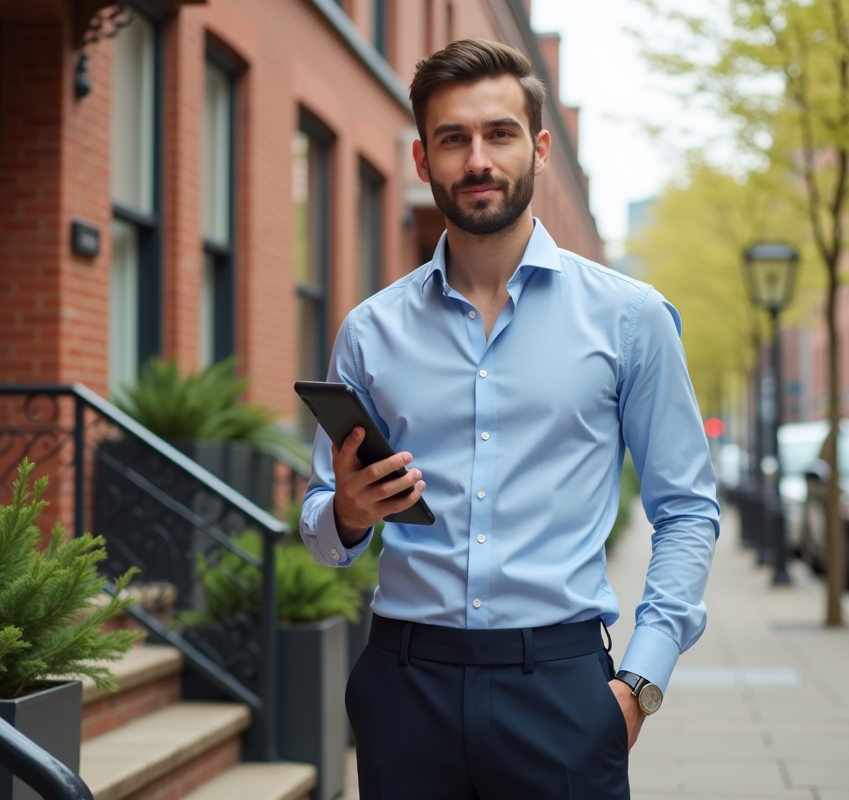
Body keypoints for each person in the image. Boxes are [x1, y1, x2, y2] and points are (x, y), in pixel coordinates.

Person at [300, 38, 719, 799]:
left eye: (500, 133)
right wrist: (351, 516)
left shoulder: (630, 319)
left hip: (564, 694)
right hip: (405, 688)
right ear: (424, 161)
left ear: (540, 147)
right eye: (453, 139)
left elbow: (687, 510)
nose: (478, 159)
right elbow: (319, 531)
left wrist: (639, 683)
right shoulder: (369, 330)